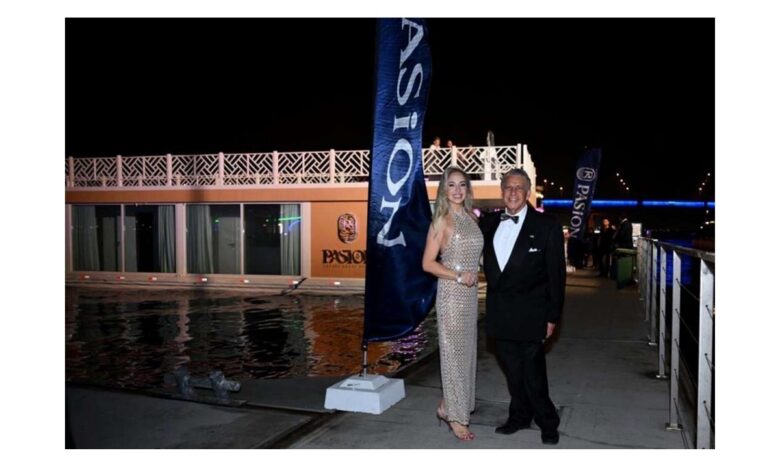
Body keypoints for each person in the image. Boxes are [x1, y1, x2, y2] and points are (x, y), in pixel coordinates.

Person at [479, 168, 566, 445]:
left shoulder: (547, 225)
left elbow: (556, 276)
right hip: (500, 311)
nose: (513, 192)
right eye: (508, 187)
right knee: (513, 373)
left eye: (519, 188)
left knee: (534, 374)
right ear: (502, 191)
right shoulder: (489, 222)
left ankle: (548, 421)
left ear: (528, 193)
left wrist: (552, 316)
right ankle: (519, 416)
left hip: (532, 312)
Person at [422, 167, 483, 441]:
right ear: (444, 190)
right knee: (454, 356)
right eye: (451, 185)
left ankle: (449, 406)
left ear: (467, 188)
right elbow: (427, 263)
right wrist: (458, 275)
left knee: (466, 355)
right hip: (451, 295)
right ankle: (456, 418)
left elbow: (475, 255)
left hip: (470, 296)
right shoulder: (440, 221)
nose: (457, 190)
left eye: (462, 184)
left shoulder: (472, 218)